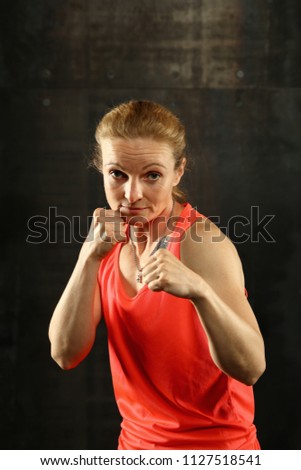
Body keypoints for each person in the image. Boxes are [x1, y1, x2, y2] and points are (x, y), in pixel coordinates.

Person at [49, 100, 266, 450]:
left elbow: (251, 368)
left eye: (152, 175)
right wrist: (88, 257)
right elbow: (64, 353)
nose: (132, 195)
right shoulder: (107, 243)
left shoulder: (201, 244)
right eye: (117, 174)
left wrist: (199, 291)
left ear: (178, 172)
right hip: (134, 448)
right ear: (101, 169)